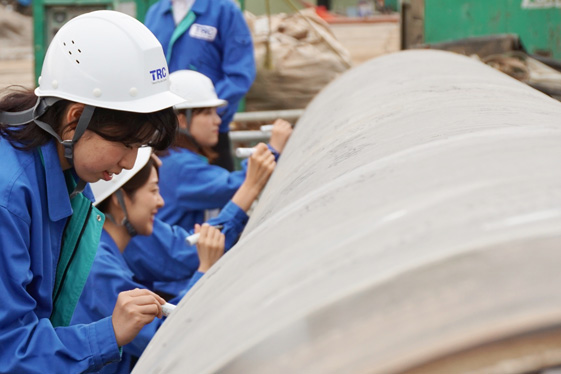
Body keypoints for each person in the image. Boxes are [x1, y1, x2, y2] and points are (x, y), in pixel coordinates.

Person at [0, 10, 184, 373]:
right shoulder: (10, 198)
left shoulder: (68, 180)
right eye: (126, 144)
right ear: (75, 118)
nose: (130, 163)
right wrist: (109, 333)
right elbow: (8, 347)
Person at [72, 148, 225, 374]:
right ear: (119, 198)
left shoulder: (101, 252)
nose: (161, 201)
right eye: (154, 190)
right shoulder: (98, 266)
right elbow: (162, 338)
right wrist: (204, 270)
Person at [156, 69, 292, 233]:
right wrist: (273, 150)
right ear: (182, 121)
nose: (217, 120)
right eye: (207, 113)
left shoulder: (174, 158)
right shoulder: (179, 166)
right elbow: (233, 186)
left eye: (216, 112)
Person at [144, 0, 256, 171]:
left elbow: (239, 75)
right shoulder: (156, 13)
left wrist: (205, 116)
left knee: (219, 190)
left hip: (209, 140)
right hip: (163, 135)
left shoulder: (224, 11)